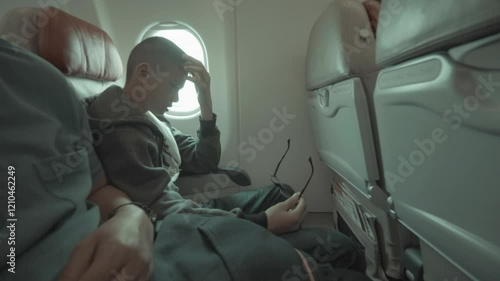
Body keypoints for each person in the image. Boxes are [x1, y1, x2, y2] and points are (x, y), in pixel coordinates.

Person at [0, 36, 372, 281]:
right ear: (144, 74)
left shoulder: (151, 117)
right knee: (339, 248)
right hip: (175, 213)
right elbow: (162, 206)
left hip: (182, 205)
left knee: (282, 192)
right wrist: (259, 223)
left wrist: (206, 101)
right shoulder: (118, 123)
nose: (178, 98)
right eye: (176, 86)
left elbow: (203, 161)